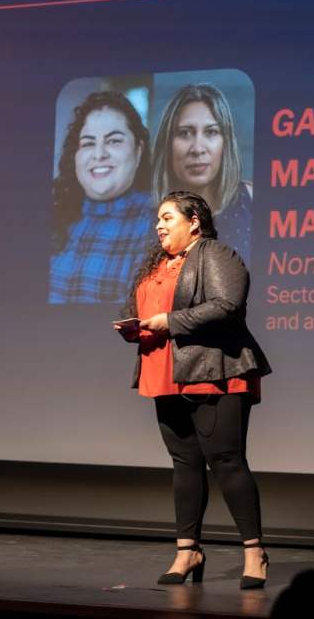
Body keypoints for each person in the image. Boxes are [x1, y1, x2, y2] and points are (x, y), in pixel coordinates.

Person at [114, 191, 272, 588]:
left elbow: (226, 305)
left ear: (195, 221)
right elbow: (139, 310)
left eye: (168, 217)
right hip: (164, 372)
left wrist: (168, 320)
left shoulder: (216, 255)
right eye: (158, 220)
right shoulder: (158, 265)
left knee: (226, 460)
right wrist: (132, 325)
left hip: (212, 371)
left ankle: (255, 553)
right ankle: (189, 551)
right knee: (184, 463)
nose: (159, 225)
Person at [50, 90, 153, 303]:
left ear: (138, 150)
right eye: (88, 143)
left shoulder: (157, 221)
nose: (99, 154)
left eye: (113, 141)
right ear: (75, 156)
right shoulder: (56, 215)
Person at [151, 83, 253, 264]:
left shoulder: (252, 200)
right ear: (168, 144)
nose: (198, 148)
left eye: (211, 132)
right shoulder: (145, 217)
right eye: (185, 133)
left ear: (225, 142)